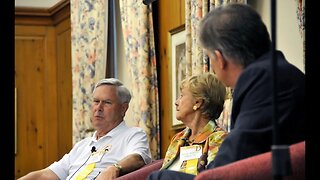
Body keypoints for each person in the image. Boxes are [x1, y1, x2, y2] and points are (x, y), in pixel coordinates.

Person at [148, 3, 305, 179]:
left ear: (220, 59)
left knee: (159, 178)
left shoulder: (265, 78)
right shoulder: (277, 71)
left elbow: (239, 151)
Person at [19, 78, 152, 180]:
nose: (98, 108)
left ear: (123, 108)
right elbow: (47, 174)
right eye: (96, 101)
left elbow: (138, 157)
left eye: (107, 102)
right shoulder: (82, 145)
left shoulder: (133, 134)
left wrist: (114, 168)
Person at [160, 73, 228, 175]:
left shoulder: (219, 138)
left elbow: (213, 176)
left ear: (198, 103)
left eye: (182, 96)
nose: (176, 102)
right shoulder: (178, 139)